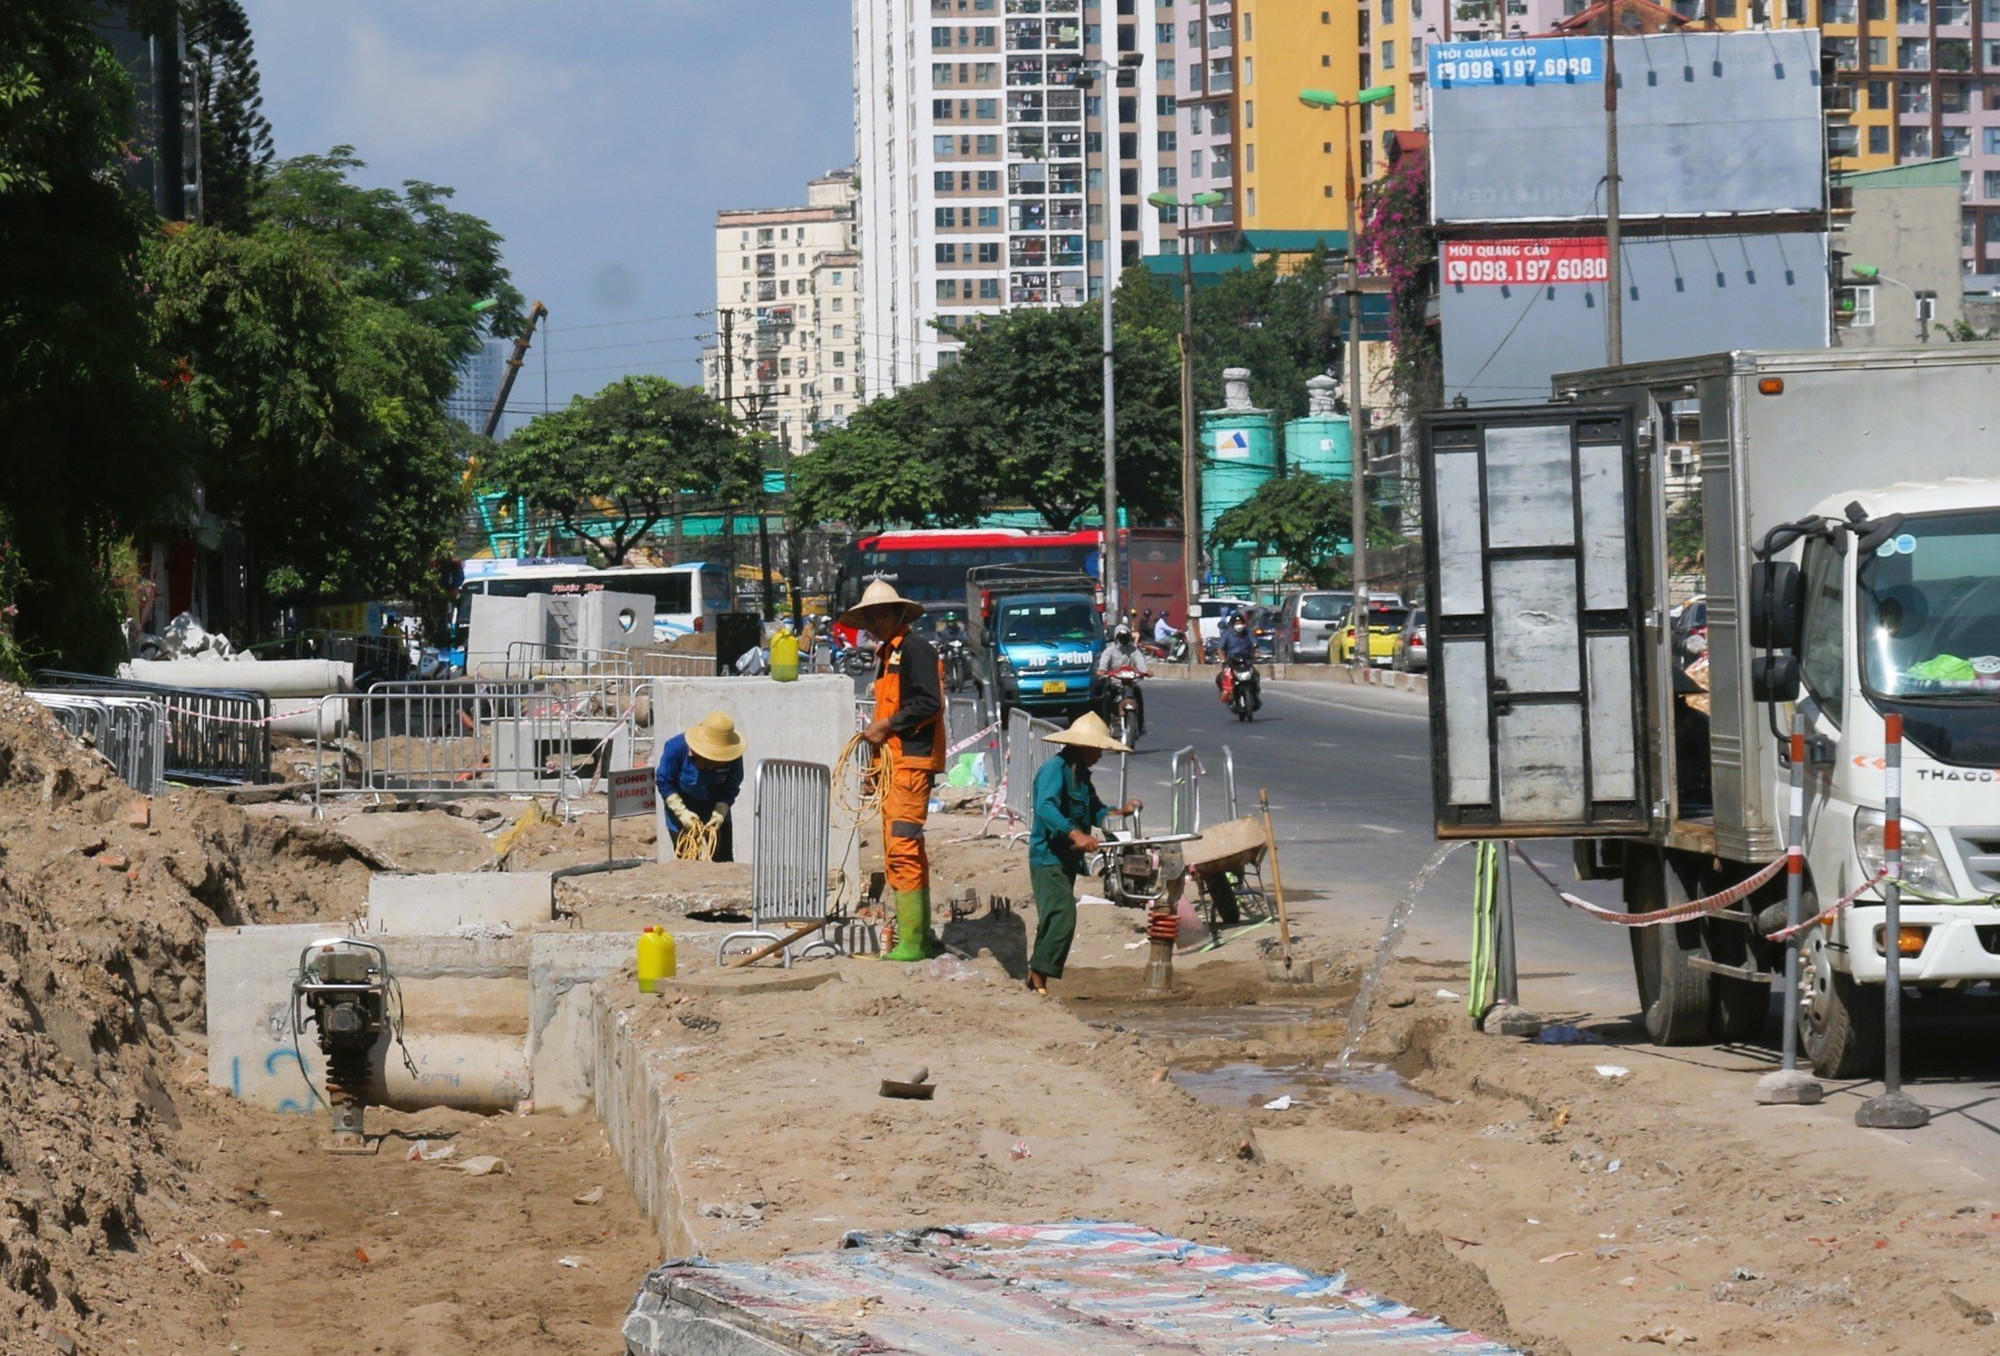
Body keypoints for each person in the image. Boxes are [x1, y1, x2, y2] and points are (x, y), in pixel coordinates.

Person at [842, 578, 947, 962]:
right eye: (868, 618)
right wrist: (873, 767)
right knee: (902, 848)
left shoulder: (916, 651)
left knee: (902, 847)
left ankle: (913, 942)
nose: (873, 623)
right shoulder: (888, 655)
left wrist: (885, 729)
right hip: (894, 763)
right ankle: (917, 935)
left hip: (911, 762)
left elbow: (929, 704)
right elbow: (884, 714)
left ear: (899, 614)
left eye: (880, 615)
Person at [1027, 712, 1142, 995]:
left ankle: (1036, 979)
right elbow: (1046, 808)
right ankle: (1038, 978)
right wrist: (1076, 834)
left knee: (1054, 915)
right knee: (1063, 914)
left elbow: (1095, 810)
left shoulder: (1081, 777)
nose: (1101, 755)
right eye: (1099, 749)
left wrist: (1120, 812)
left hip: (1066, 860)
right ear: (1084, 747)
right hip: (1048, 856)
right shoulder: (1056, 769)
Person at [655, 710, 747, 862]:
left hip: (715, 807)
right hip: (682, 806)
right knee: (687, 860)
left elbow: (732, 784)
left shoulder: (733, 755)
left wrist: (720, 811)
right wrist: (681, 812)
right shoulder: (676, 749)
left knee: (722, 860)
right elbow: (664, 781)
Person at [1095, 622, 1151, 736]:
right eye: (1121, 637)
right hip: (1114, 683)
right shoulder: (1109, 651)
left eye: (1126, 637)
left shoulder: (1133, 650)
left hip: (1130, 683)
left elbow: (1140, 663)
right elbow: (1103, 666)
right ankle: (1106, 726)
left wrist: (1145, 671)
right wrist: (1102, 671)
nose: (1123, 639)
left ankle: (1140, 725)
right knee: (1107, 697)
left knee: (1138, 694)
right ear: (1116, 638)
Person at [1215, 613, 1262, 710]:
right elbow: (1220, 649)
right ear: (1233, 624)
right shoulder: (1227, 634)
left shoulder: (1248, 632)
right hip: (1232, 662)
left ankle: (1255, 696)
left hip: (1245, 660)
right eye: (1237, 623)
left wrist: (1256, 653)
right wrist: (1223, 659)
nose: (1239, 625)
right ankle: (1229, 699)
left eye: (1240, 623)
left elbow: (1255, 644)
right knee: (1220, 678)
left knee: (1256, 675)